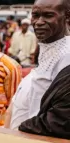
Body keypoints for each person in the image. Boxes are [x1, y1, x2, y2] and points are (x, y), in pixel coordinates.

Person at [14, 0, 70, 133]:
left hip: (45, 141)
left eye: (48, 15)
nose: (38, 22)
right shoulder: (47, 49)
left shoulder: (67, 56)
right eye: (35, 15)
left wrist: (23, 127)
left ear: (67, 17)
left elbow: (62, 118)